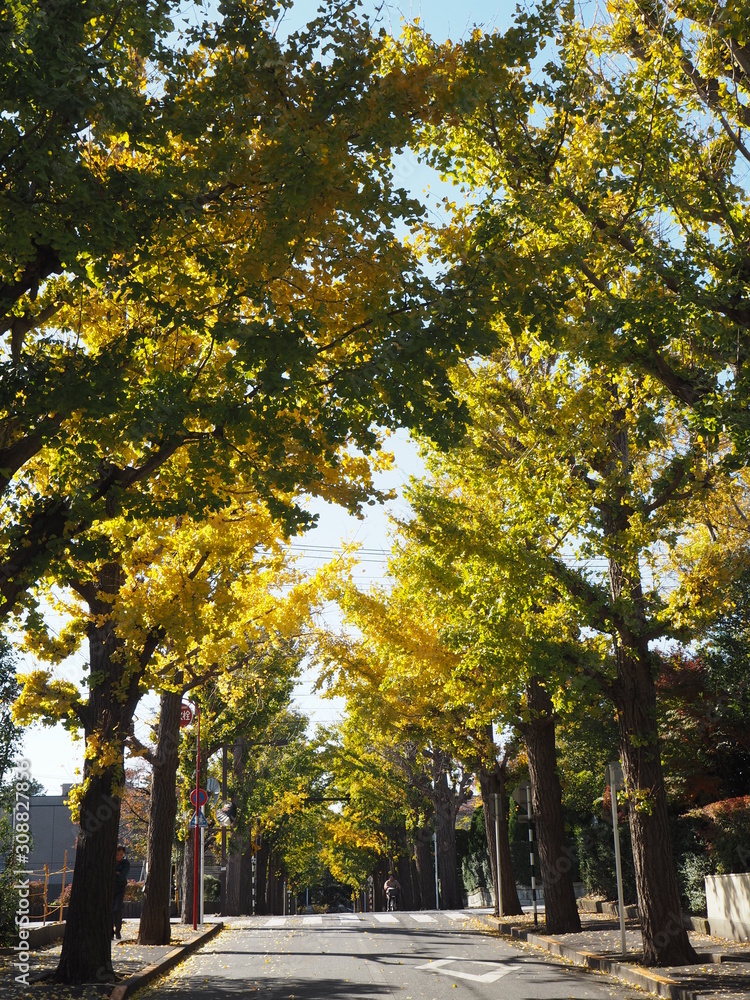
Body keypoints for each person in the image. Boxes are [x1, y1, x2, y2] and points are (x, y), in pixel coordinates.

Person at [112, 844, 130, 940]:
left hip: (120, 888)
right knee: (110, 910)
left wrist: (117, 874)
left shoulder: (125, 863)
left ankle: (118, 930)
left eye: (121, 854)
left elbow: (122, 876)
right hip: (111, 888)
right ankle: (110, 931)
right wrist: (117, 873)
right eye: (117, 854)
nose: (119, 856)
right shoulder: (111, 862)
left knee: (117, 909)